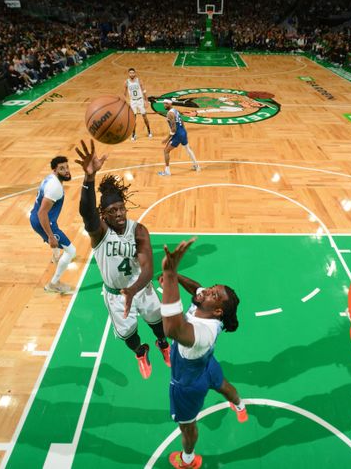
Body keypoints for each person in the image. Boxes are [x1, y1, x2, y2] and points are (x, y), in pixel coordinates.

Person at [75, 139, 170, 378]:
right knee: (128, 334)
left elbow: (147, 268)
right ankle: (140, 351)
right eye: (112, 211)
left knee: (157, 320)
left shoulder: (138, 230)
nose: (118, 214)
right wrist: (89, 178)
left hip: (141, 287)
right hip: (115, 294)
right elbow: (86, 214)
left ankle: (163, 344)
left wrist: (134, 289)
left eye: (121, 208)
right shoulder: (99, 233)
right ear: (103, 214)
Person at [158, 237, 246, 469]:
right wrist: (175, 278)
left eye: (213, 294)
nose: (206, 291)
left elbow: (173, 329)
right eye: (212, 288)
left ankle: (188, 460)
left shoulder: (204, 333)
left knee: (187, 427)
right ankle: (240, 406)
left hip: (187, 385)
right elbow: (196, 287)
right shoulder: (204, 306)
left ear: (217, 310)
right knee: (224, 385)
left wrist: (169, 276)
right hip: (206, 366)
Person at [29, 156, 77, 294]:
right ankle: (53, 284)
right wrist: (50, 236)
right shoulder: (55, 187)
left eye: (67, 167)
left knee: (58, 244)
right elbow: (42, 213)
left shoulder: (50, 179)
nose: (67, 171)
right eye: (62, 168)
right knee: (71, 251)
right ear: (55, 170)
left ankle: (56, 255)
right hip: (42, 221)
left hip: (38, 217)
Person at [159, 99, 200, 177]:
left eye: (166, 104)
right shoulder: (175, 110)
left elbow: (173, 129)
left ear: (170, 104)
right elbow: (181, 120)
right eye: (164, 103)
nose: (164, 105)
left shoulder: (170, 114)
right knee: (188, 149)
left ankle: (167, 172)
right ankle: (197, 166)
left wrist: (167, 138)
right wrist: (183, 131)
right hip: (183, 132)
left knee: (166, 151)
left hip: (177, 134)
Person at [125, 68, 152, 141]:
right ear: (128, 74)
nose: (132, 74)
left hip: (140, 100)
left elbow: (144, 90)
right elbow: (124, 93)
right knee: (133, 118)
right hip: (133, 101)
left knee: (144, 116)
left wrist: (146, 100)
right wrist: (124, 101)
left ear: (135, 73)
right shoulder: (126, 82)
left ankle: (149, 130)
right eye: (130, 73)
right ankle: (133, 134)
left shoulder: (138, 80)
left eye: (133, 73)